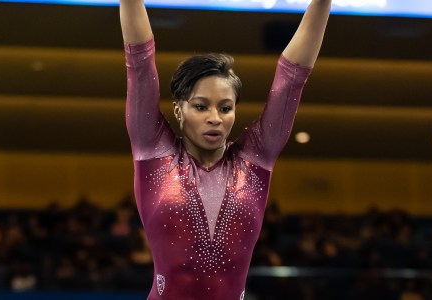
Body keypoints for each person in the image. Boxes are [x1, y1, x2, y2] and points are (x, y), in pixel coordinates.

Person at [119, 0, 331, 298]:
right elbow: (140, 64)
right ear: (179, 110)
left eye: (225, 108)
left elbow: (292, 79)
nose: (215, 118)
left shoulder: (255, 159)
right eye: (201, 106)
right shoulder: (154, 151)